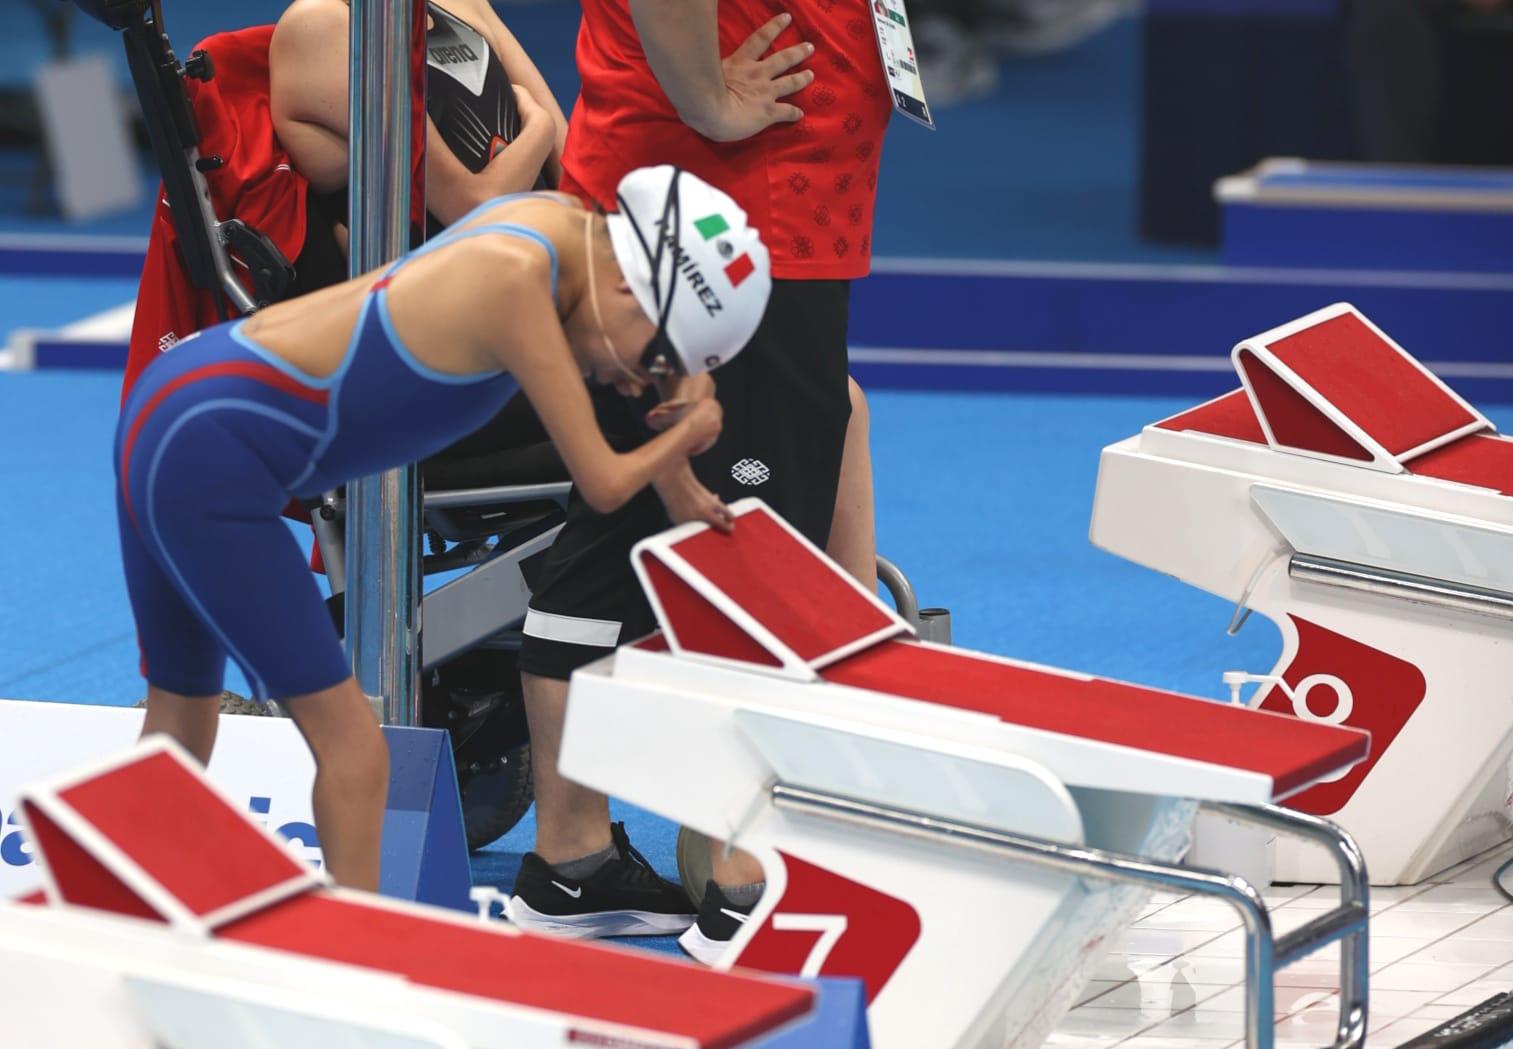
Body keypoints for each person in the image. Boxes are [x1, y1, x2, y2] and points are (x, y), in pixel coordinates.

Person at [117, 169, 766, 893]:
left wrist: (687, 471)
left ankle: (113, 922)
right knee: (356, 754)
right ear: (629, 289)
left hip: (177, 403)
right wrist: (693, 431)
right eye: (651, 364)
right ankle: (349, 981)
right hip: (214, 451)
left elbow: (636, 361)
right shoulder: (515, 284)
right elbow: (605, 483)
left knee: (179, 719)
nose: (633, 385)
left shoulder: (558, 224)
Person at [506, 0, 893, 962]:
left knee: (650, 539)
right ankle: (738, 880)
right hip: (728, 205)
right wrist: (710, 101)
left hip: (757, 202)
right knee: (748, 556)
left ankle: (574, 866)